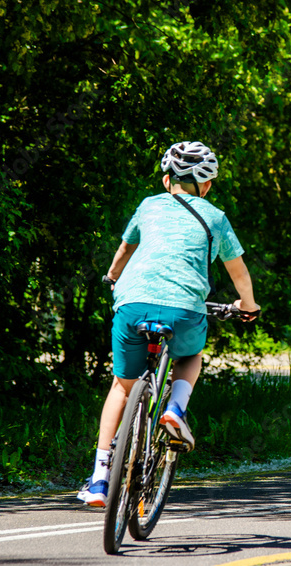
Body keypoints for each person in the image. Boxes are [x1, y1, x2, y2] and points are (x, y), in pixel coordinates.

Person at [78, 141, 260, 506]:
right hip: (184, 309)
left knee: (121, 386)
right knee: (191, 356)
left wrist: (113, 277)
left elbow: (125, 250)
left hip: (132, 304)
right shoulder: (216, 217)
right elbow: (237, 270)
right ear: (206, 186)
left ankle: (99, 478)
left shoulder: (148, 206)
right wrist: (248, 306)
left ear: (166, 180)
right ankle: (175, 409)